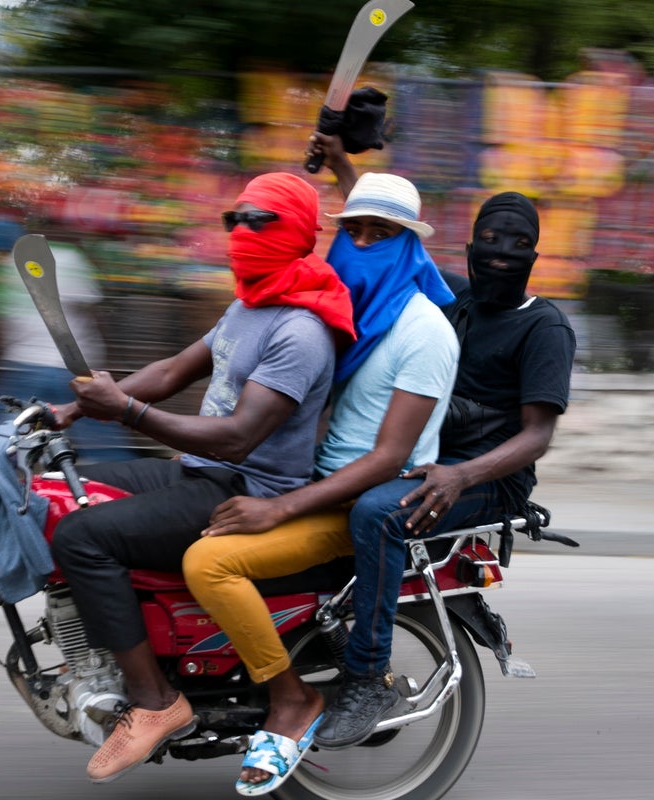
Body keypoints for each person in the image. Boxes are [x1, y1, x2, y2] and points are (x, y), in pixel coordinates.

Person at [48, 171, 356, 784]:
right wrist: (73, 410)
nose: (241, 230)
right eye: (233, 219)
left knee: (83, 537)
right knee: (57, 490)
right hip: (196, 471)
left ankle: (155, 701)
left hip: (240, 489)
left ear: (294, 232)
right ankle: (100, 649)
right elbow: (171, 371)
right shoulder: (250, 303)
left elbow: (240, 437)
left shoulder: (301, 330)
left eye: (257, 220)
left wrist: (126, 411)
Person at [185, 157, 459, 795]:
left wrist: (278, 509)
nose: (361, 245)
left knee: (210, 565)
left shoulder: (424, 331)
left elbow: (388, 458)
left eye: (380, 234)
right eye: (353, 231)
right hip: (309, 482)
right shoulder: (353, 310)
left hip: (353, 502)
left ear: (410, 243)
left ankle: (291, 701)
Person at [307, 135, 577, 750]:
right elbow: (386, 236)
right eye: (491, 240)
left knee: (378, 512)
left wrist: (459, 476)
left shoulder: (544, 326)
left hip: (485, 481)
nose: (502, 254)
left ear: (535, 253)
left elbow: (538, 434)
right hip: (419, 458)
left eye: (518, 244)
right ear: (471, 246)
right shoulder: (455, 303)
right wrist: (345, 167)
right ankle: (320, 633)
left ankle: (368, 676)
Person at [0, 232, 134, 461]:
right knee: (100, 438)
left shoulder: (10, 264)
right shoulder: (70, 257)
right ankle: (127, 483)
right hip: (73, 366)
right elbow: (93, 312)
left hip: (25, 365)